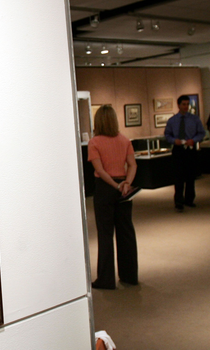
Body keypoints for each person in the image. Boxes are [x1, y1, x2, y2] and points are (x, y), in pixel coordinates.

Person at [87, 105, 139, 289]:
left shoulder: (94, 142)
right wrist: (125, 183)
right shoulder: (124, 140)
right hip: (124, 189)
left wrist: (116, 185)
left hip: (105, 189)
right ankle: (130, 275)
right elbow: (132, 165)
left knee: (105, 234)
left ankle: (106, 279)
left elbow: (99, 171)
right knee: (126, 232)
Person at [164, 95, 206, 212]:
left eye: (188, 104)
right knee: (178, 177)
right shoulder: (172, 120)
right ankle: (178, 201)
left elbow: (201, 133)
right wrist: (174, 141)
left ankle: (189, 199)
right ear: (178, 105)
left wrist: (194, 140)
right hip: (178, 150)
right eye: (184, 104)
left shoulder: (195, 119)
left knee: (190, 176)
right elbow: (167, 135)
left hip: (190, 149)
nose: (186, 106)